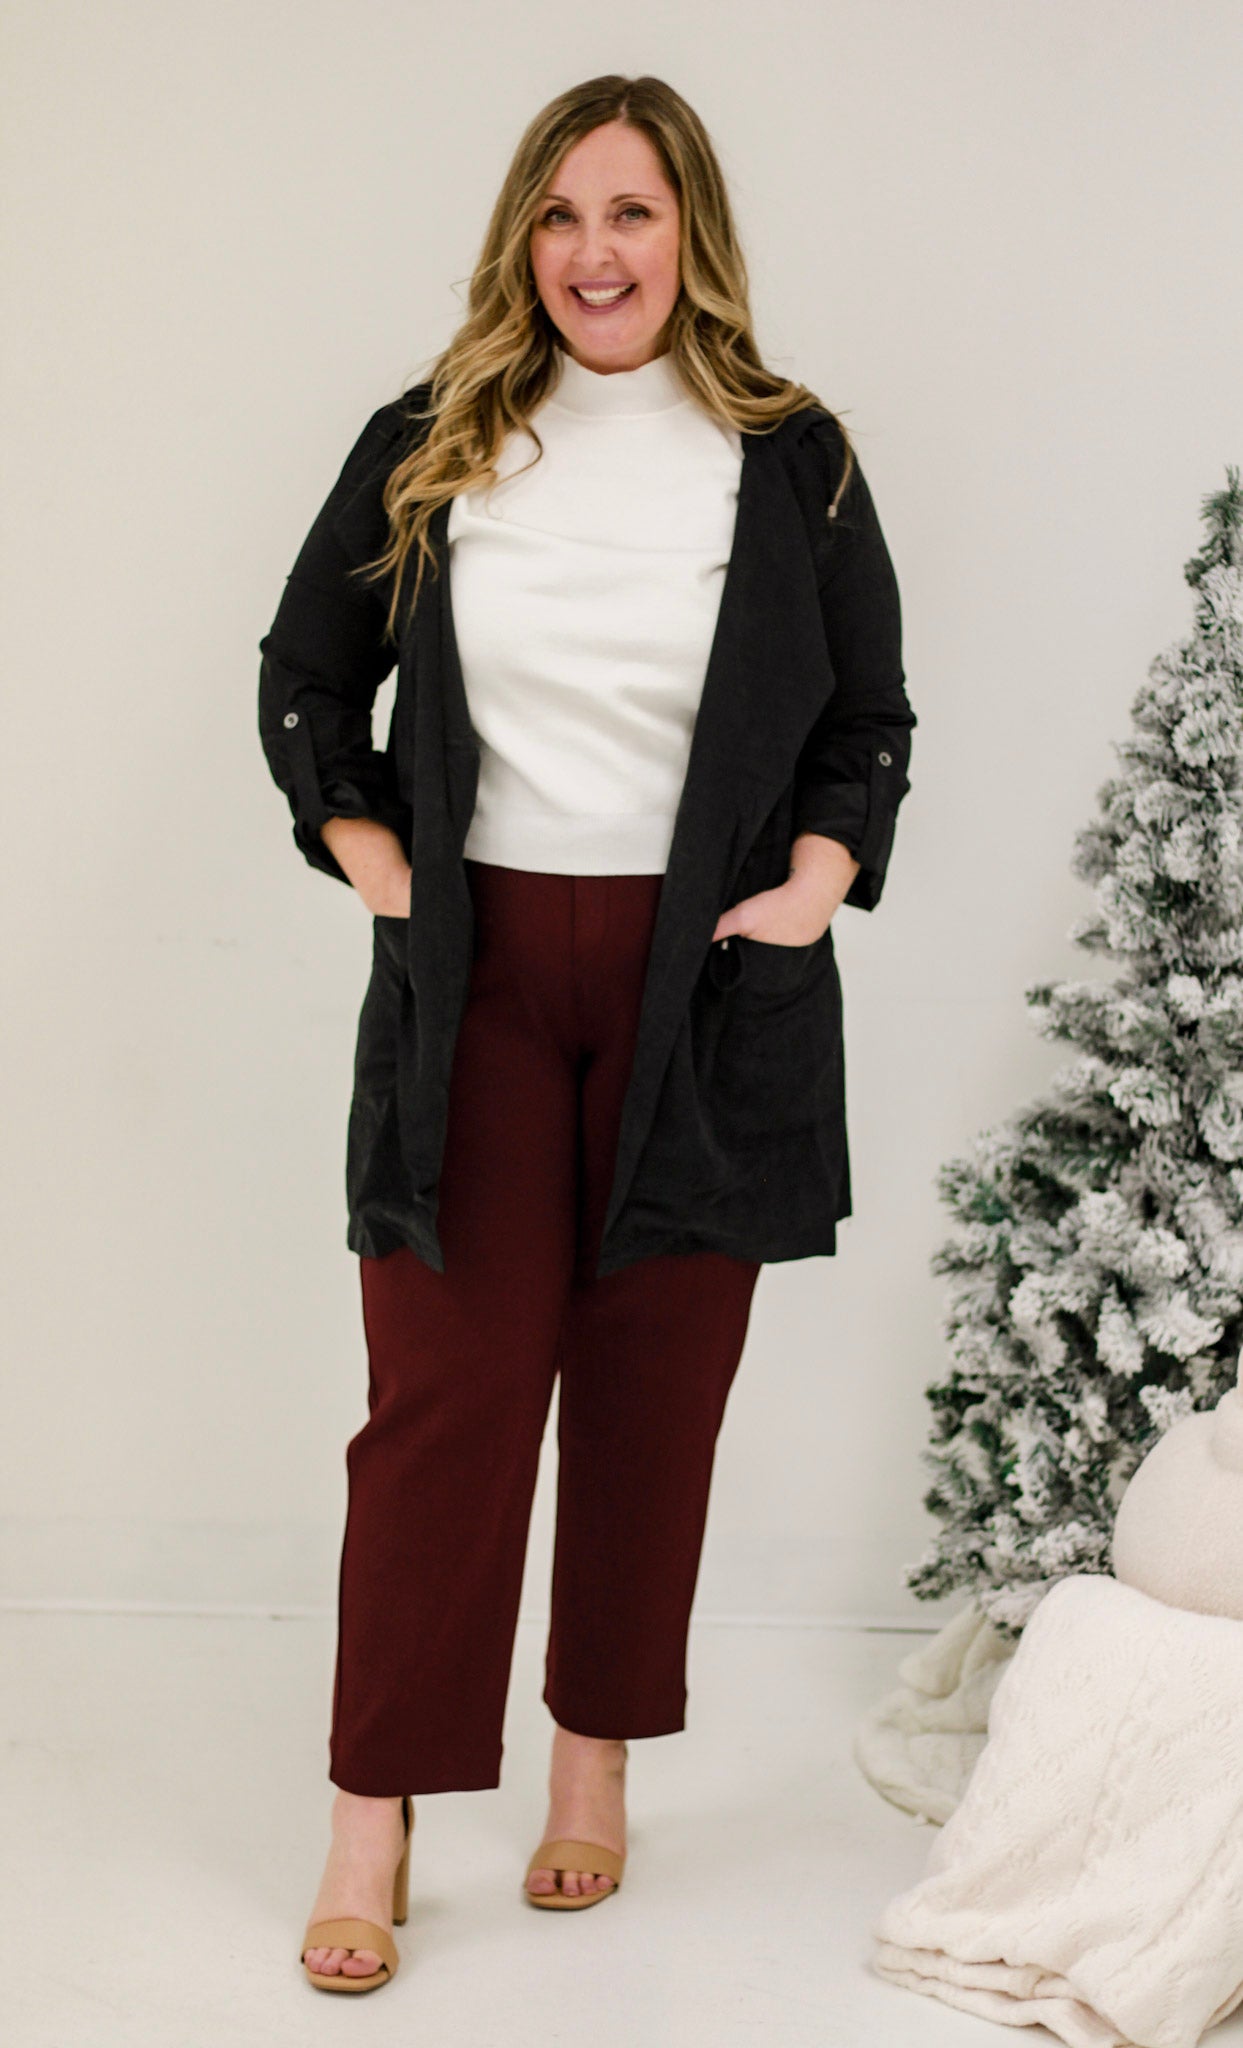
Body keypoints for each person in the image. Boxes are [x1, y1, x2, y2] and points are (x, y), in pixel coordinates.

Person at [257, 72, 915, 1995]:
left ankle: (595, 1759)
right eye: (559, 215)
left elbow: (866, 719)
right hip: (473, 970)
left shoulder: (792, 460)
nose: (593, 253)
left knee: (651, 1394)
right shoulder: (436, 437)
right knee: (445, 1397)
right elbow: (306, 677)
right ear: (520, 240)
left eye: (630, 212)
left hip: (700, 982)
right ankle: (370, 1810)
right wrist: (382, 865)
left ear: (691, 230)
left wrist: (813, 882)